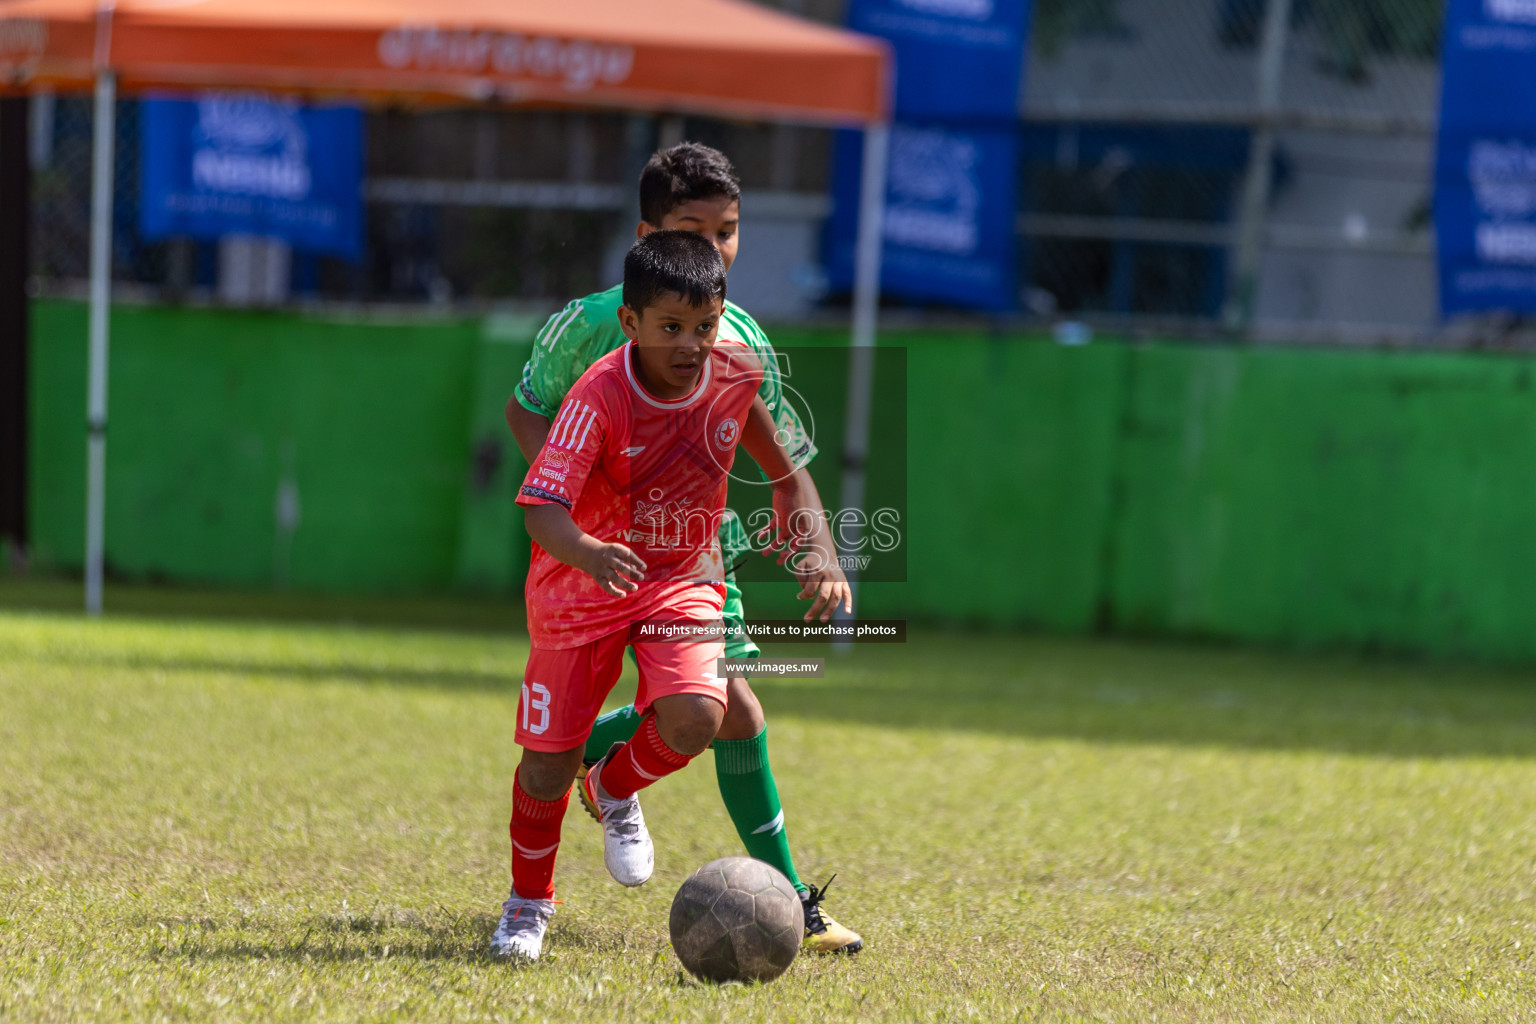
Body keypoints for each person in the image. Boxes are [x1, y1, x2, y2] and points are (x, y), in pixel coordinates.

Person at [505, 142, 863, 955]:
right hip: (593, 556)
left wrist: (811, 542)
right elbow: (527, 411)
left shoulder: (740, 341)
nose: (711, 247)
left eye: (728, 231)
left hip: (696, 557)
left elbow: (784, 465)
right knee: (707, 713)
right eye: (690, 228)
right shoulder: (594, 324)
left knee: (728, 710)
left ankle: (787, 904)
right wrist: (591, 508)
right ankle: (582, 800)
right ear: (646, 235)